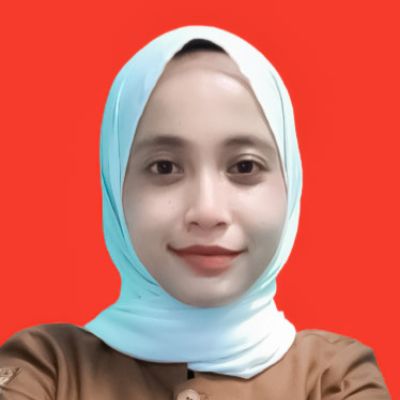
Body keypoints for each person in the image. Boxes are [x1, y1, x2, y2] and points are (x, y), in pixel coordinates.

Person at [0, 25, 391, 399]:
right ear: (116, 186)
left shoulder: (335, 377)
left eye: (244, 166)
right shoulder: (45, 368)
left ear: (290, 184)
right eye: (164, 167)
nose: (207, 211)